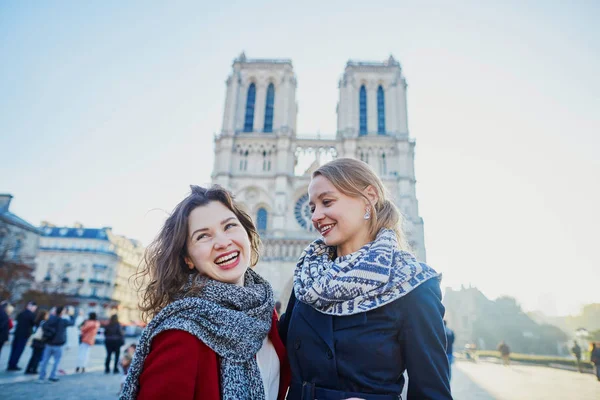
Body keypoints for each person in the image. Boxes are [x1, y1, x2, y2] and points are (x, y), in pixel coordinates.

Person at [279, 158, 451, 400]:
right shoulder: (308, 277)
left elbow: (433, 394)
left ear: (368, 197)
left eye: (327, 202)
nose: (316, 216)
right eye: (312, 208)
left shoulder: (412, 285)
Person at [120, 185, 290, 400]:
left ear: (247, 233)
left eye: (229, 226)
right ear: (187, 258)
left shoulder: (264, 314)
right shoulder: (181, 334)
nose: (222, 242)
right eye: (203, 236)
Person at [38, 305, 75, 382]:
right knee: (57, 361)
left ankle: (41, 376)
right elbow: (72, 323)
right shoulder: (63, 321)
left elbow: (44, 325)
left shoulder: (50, 319)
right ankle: (53, 375)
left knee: (45, 361)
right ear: (62, 312)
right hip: (58, 344)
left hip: (48, 343)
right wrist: (71, 315)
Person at [7, 301, 37, 371]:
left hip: (17, 333)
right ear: (32, 307)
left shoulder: (21, 313)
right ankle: (13, 365)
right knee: (19, 350)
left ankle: (11, 364)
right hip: (24, 335)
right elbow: (34, 323)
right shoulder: (31, 315)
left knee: (14, 349)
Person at [25, 309, 50, 374]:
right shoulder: (44, 322)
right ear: (44, 315)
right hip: (40, 341)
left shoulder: (37, 321)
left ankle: (28, 369)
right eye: (47, 315)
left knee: (33, 355)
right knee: (37, 356)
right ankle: (34, 369)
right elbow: (45, 332)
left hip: (35, 340)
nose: (48, 316)